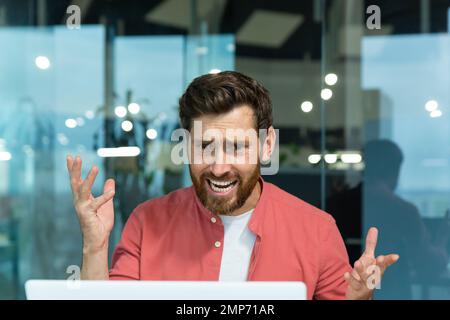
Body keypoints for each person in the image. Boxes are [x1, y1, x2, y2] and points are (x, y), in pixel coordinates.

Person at [66, 71, 399, 300]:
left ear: (266, 146)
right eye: (204, 146)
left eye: (237, 147)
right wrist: (94, 248)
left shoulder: (317, 230)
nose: (219, 167)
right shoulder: (146, 222)